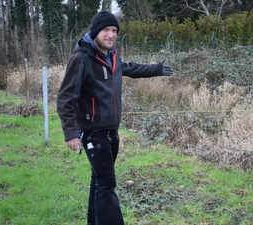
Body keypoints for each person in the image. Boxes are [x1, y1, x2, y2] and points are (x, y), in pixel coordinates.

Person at [56, 10, 173, 225]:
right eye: (106, 30)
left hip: (111, 132)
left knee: (99, 182)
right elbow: (66, 97)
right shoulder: (82, 58)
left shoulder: (113, 57)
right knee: (107, 184)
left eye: (114, 31)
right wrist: (70, 132)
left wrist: (157, 68)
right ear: (96, 32)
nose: (111, 35)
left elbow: (133, 68)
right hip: (93, 132)